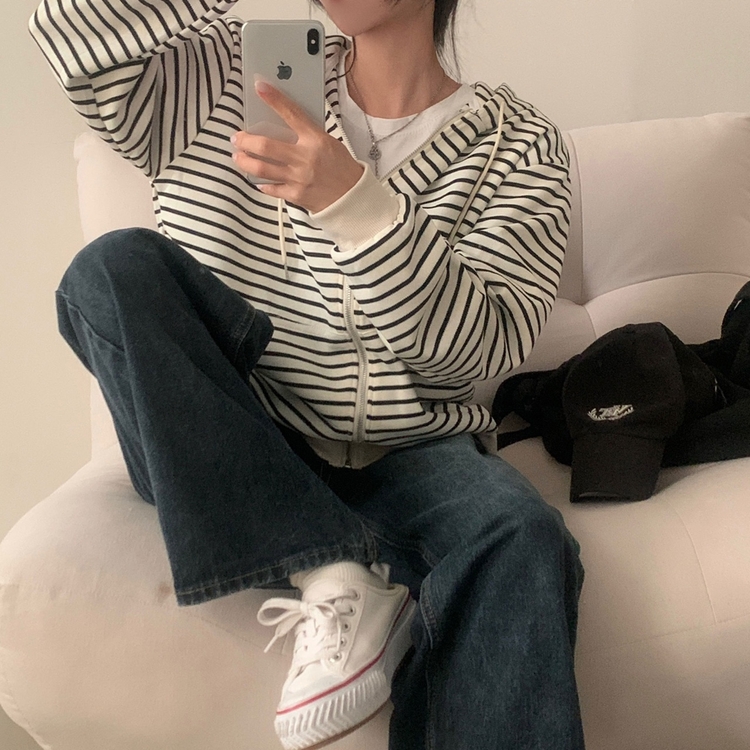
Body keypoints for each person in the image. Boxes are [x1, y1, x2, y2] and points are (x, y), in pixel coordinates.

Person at [29, 0, 585, 747]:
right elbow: (68, 25)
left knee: (521, 533)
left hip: (414, 455)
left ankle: (341, 564)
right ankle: (328, 568)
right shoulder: (218, 75)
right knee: (109, 268)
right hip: (235, 436)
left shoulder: (519, 146)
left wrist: (354, 204)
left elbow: (478, 350)